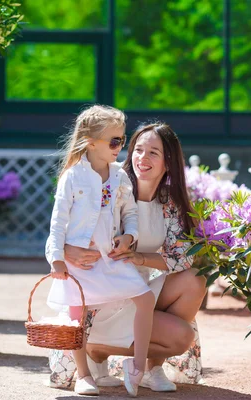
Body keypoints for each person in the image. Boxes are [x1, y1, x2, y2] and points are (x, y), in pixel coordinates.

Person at [47, 122, 207, 393]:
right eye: (138, 150)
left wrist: (138, 258)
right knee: (178, 332)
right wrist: (67, 251)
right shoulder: (111, 182)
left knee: (195, 284)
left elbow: (182, 257)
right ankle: (94, 350)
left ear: (169, 162)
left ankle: (151, 368)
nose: (143, 158)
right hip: (103, 291)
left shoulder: (169, 201)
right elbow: (69, 224)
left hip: (138, 285)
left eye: (154, 153)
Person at [44, 105, 156, 396]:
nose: (120, 146)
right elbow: (58, 221)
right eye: (114, 141)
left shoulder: (119, 175)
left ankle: (138, 366)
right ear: (91, 141)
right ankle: (84, 375)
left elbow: (130, 213)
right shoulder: (72, 177)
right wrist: (57, 258)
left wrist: (129, 236)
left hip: (112, 257)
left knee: (144, 299)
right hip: (81, 262)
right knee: (77, 316)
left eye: (121, 139)